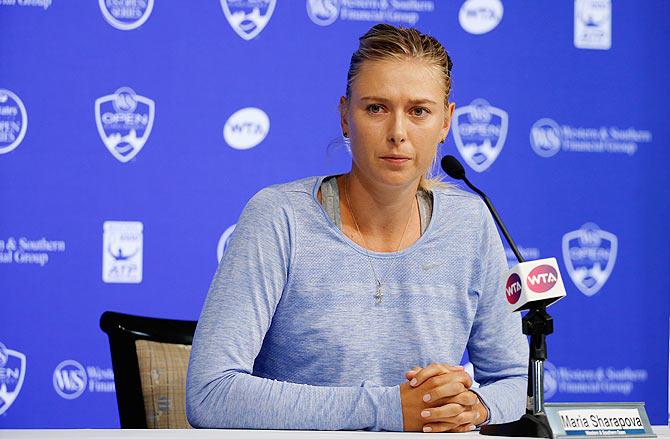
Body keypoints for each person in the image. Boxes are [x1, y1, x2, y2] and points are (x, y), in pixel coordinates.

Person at [186, 23, 528, 433]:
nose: (398, 133)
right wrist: (390, 409)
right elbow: (210, 394)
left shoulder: (470, 222)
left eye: (419, 111)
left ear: (445, 123)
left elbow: (517, 381)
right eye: (376, 108)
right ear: (345, 116)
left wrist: (473, 405)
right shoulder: (280, 218)